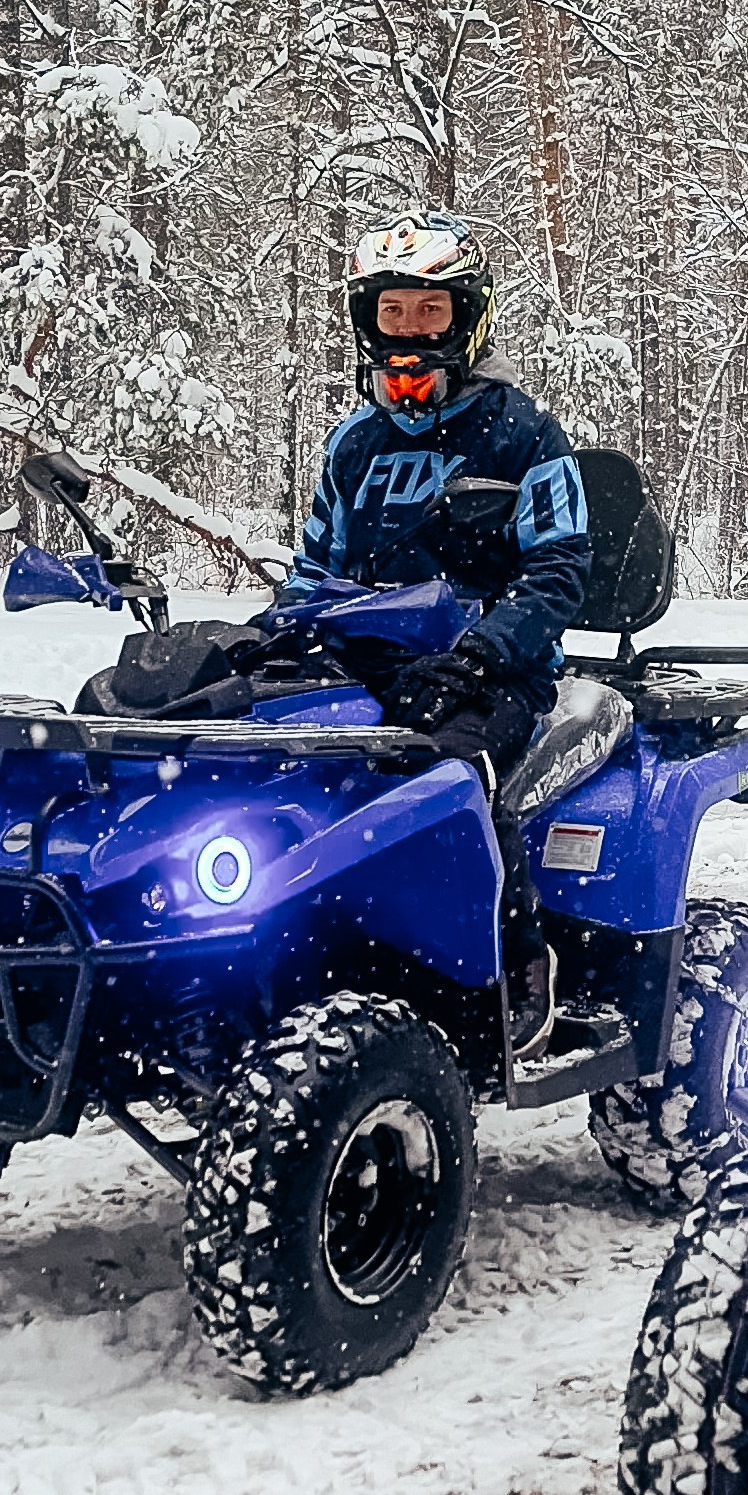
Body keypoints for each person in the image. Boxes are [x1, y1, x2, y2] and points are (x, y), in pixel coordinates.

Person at [258, 215, 592, 1040]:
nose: (409, 331)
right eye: (393, 311)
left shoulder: (525, 433)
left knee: (448, 766)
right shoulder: (353, 443)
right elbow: (314, 565)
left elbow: (559, 572)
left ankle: (516, 960)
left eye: (429, 311)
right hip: (365, 664)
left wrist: (482, 651)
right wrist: (276, 632)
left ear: (466, 316)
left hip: (492, 671)